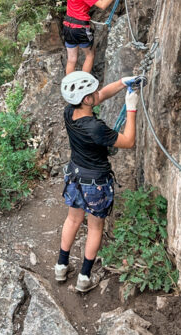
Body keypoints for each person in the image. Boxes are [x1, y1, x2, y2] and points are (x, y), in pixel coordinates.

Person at [54, 70, 142, 292]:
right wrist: (131, 107)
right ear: (85, 99)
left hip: (75, 177)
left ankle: (61, 266)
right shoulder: (96, 128)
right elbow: (129, 141)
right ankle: (84, 277)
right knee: (94, 226)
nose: (96, 93)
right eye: (91, 92)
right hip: (96, 183)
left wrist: (123, 83)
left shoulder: (69, 112)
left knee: (73, 220)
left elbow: (100, 95)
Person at [64, 0, 128, 75]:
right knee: (90, 55)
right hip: (80, 28)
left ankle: (71, 87)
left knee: (71, 60)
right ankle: (84, 86)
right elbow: (102, 5)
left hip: (68, 26)